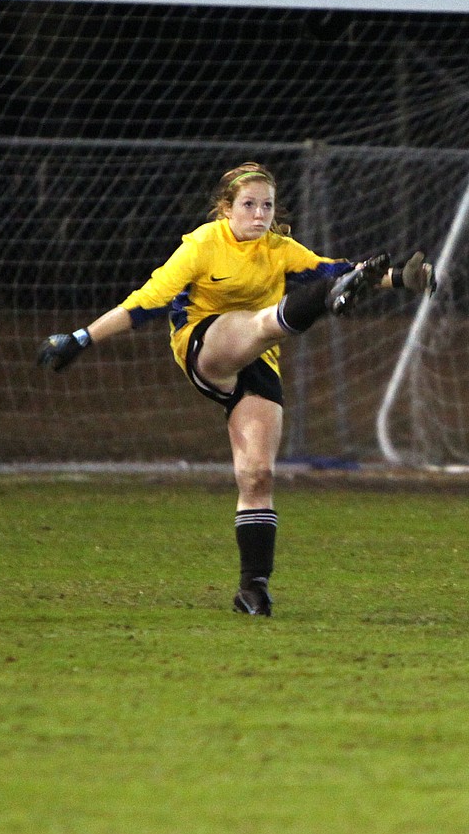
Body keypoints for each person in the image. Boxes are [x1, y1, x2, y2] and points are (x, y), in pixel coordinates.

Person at [37, 161, 436, 617]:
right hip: (204, 344)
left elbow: (341, 271)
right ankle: (319, 305)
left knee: (257, 476)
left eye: (267, 205)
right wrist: (81, 338)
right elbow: (146, 302)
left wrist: (402, 277)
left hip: (257, 363)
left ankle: (253, 589)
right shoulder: (203, 245)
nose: (259, 214)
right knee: (265, 323)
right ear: (225, 209)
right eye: (248, 205)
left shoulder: (278, 248)